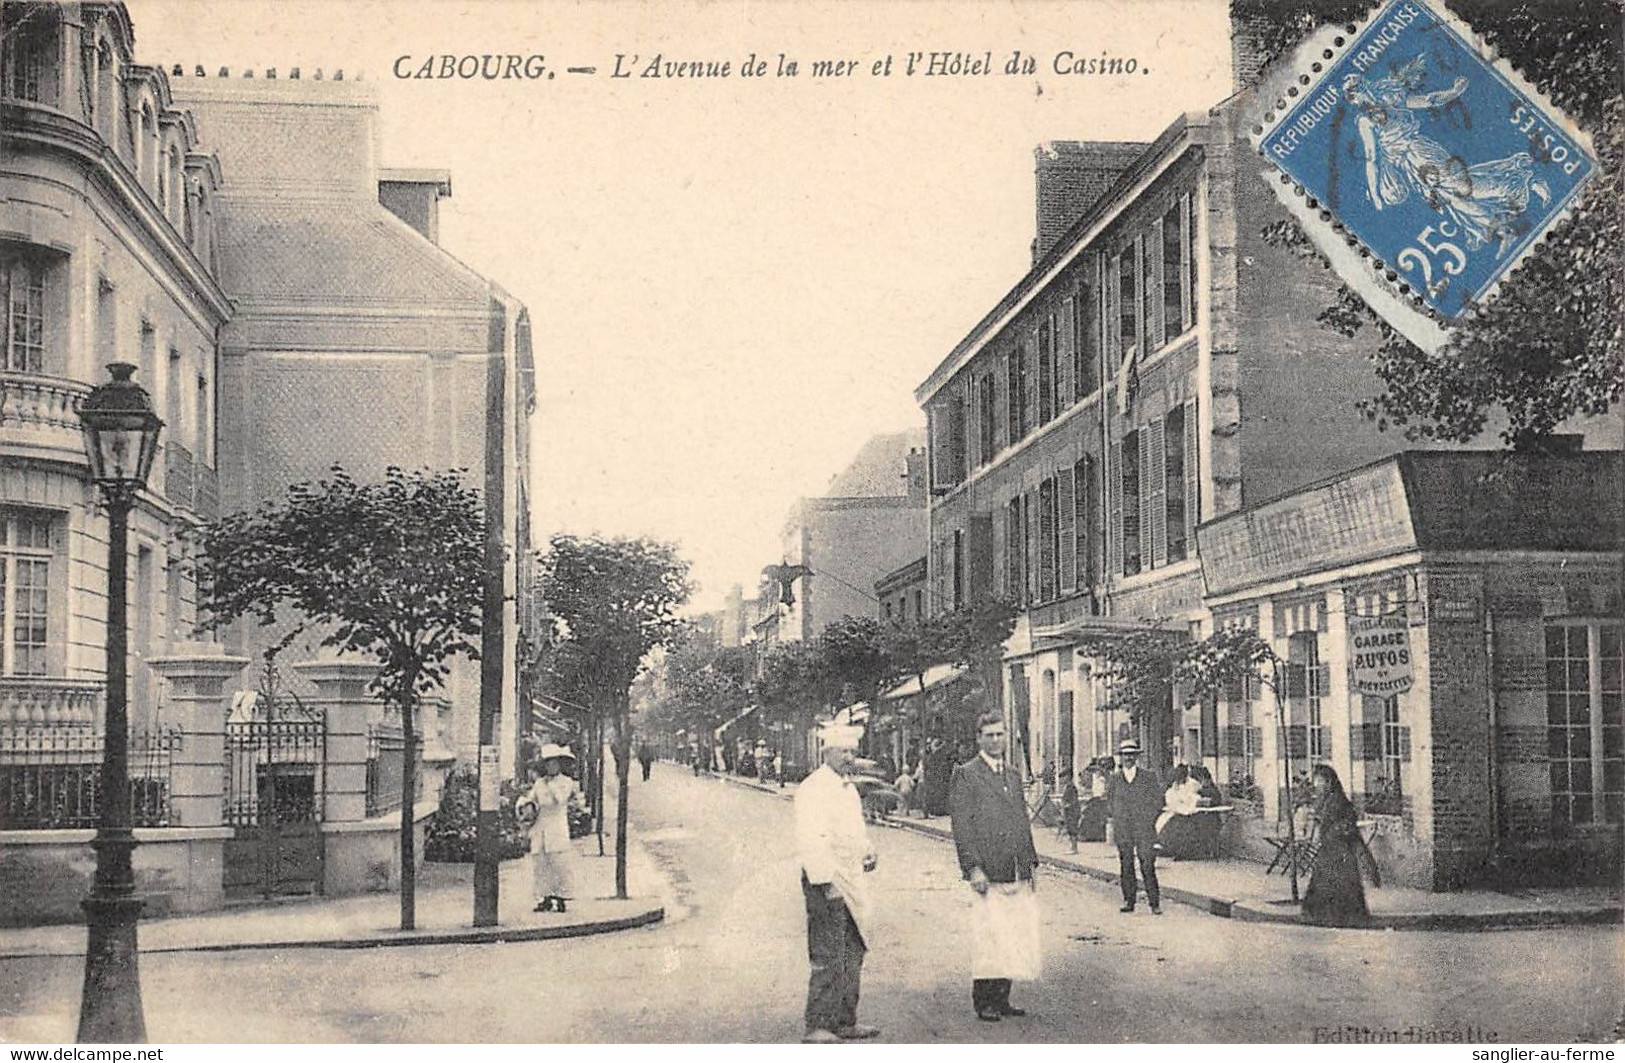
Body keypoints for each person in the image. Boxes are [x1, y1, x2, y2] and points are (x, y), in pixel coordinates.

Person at [949, 712, 1040, 1023]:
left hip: (1014, 866)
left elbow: (1021, 821)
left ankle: (1003, 998)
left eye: (1000, 734)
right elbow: (962, 826)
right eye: (989, 735)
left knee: (1013, 932)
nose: (996, 741)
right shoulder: (966, 774)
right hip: (988, 868)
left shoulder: (1012, 775)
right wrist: (973, 867)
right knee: (989, 934)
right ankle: (984, 1001)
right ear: (978, 738)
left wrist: (1029, 864)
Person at [794, 729, 880, 1044]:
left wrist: (867, 849)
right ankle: (817, 1024)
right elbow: (810, 838)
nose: (849, 757)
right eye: (843, 751)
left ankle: (845, 1020)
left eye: (852, 751)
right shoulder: (813, 788)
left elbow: (854, 832)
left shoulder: (848, 790)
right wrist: (825, 880)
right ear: (826, 752)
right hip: (826, 881)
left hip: (851, 878)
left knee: (853, 950)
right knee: (828, 953)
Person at [1302, 764, 1380, 927]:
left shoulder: (1337, 800)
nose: (1317, 785)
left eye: (1320, 781)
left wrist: (1332, 830)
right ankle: (1325, 914)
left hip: (1340, 848)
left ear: (1329, 782)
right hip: (1331, 847)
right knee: (1327, 880)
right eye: (1316, 780)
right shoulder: (1328, 799)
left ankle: (1338, 915)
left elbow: (1346, 822)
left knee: (1339, 881)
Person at [515, 744, 582, 914]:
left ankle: (560, 898)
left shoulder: (566, 782)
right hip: (541, 825)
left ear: (559, 765)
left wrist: (551, 784)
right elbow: (532, 800)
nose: (550, 766)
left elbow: (561, 800)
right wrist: (525, 804)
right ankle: (544, 898)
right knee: (540, 863)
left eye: (554, 763)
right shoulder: (539, 783)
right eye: (548, 763)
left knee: (558, 863)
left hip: (557, 825)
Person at [1107, 738, 1163, 914]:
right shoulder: (1115, 779)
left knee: (1147, 864)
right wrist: (1117, 817)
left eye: (1132, 755)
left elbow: (1157, 801)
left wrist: (1148, 819)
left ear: (1136, 757)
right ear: (1121, 757)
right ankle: (1129, 901)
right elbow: (1109, 802)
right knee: (1126, 865)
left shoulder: (1148, 777)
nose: (1129, 758)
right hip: (1124, 829)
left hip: (1144, 829)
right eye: (1125, 755)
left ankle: (1154, 904)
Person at [1154, 765, 1204, 861]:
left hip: (1190, 811)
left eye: (1181, 778)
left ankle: (1181, 850)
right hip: (1175, 810)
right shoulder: (1174, 786)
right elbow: (1171, 799)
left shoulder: (1193, 784)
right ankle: (1166, 846)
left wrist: (1187, 802)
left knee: (1179, 825)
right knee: (1161, 822)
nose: (1179, 780)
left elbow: (1194, 798)